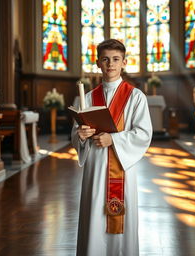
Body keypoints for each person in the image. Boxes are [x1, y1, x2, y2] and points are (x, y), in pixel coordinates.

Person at [71, 39, 152, 256]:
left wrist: (114, 140)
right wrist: (81, 135)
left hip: (122, 169)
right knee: (94, 217)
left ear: (124, 62)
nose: (110, 64)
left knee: (119, 221)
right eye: (105, 59)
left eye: (116, 59)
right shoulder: (86, 98)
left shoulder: (135, 97)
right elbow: (75, 133)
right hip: (95, 169)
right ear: (98, 63)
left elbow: (144, 134)